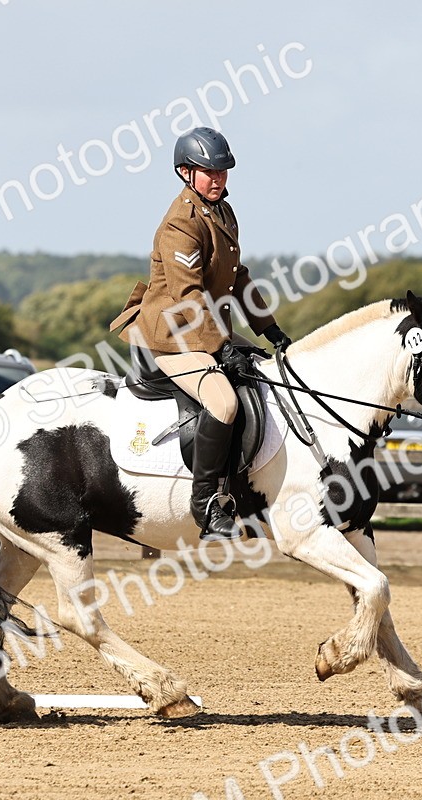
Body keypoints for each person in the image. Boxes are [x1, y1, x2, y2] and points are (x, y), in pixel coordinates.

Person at [109, 127, 291, 541]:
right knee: (224, 402)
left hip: (205, 331)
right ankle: (206, 504)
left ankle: (250, 487)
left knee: (270, 374)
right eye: (209, 172)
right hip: (171, 336)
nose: (218, 179)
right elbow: (188, 295)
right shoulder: (180, 223)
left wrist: (270, 328)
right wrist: (223, 348)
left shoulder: (223, 213)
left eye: (223, 171)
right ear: (185, 173)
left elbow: (237, 277)